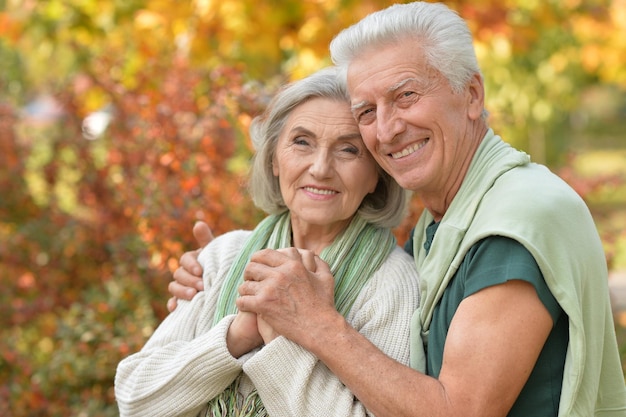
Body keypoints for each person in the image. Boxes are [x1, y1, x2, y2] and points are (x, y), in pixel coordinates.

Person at [168, 2, 626, 417]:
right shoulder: (445, 218)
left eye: (406, 96)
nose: (386, 130)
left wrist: (317, 323)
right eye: (366, 111)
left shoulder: (520, 217)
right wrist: (216, 283)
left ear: (471, 95)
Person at [115, 66, 421, 417]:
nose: (320, 168)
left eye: (348, 150)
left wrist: (282, 339)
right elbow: (134, 399)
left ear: (376, 177)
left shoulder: (393, 286)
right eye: (302, 142)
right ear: (274, 159)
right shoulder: (225, 256)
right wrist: (238, 336)